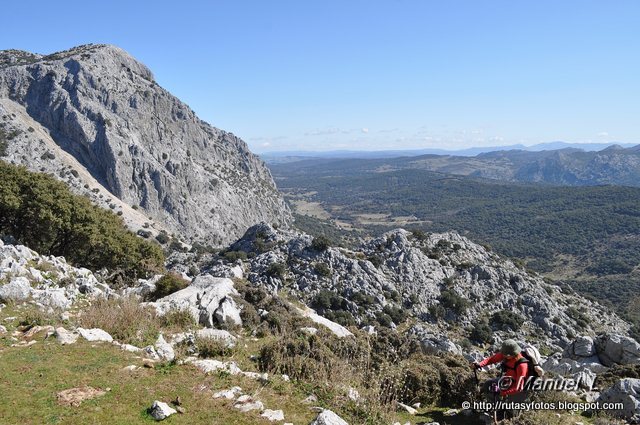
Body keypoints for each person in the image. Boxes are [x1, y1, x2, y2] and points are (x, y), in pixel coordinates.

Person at [472, 339, 529, 420]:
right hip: (507, 381)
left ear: (510, 355)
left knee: (512, 413)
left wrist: (501, 392)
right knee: (488, 385)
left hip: (520, 389)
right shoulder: (506, 355)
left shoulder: (522, 365)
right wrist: (479, 365)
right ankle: (500, 409)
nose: (502, 355)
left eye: (504, 354)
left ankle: (507, 416)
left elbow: (519, 388)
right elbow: (492, 359)